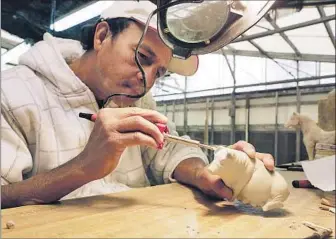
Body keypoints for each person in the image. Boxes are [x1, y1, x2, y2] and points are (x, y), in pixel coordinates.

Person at [1, 1, 274, 209]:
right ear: (102, 36)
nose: (147, 82)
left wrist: (206, 173)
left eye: (160, 72)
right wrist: (84, 167)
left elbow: (169, 151)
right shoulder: (13, 92)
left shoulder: (135, 97)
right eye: (143, 57)